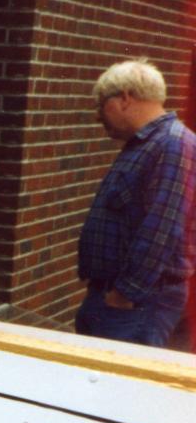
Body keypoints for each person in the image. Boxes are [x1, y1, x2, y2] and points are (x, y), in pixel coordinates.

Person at [76, 59, 196, 347]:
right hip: (117, 298)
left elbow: (161, 229)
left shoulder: (172, 145)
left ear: (125, 98)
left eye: (101, 104)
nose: (97, 116)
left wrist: (125, 294)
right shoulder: (147, 144)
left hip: (136, 304)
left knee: (115, 384)